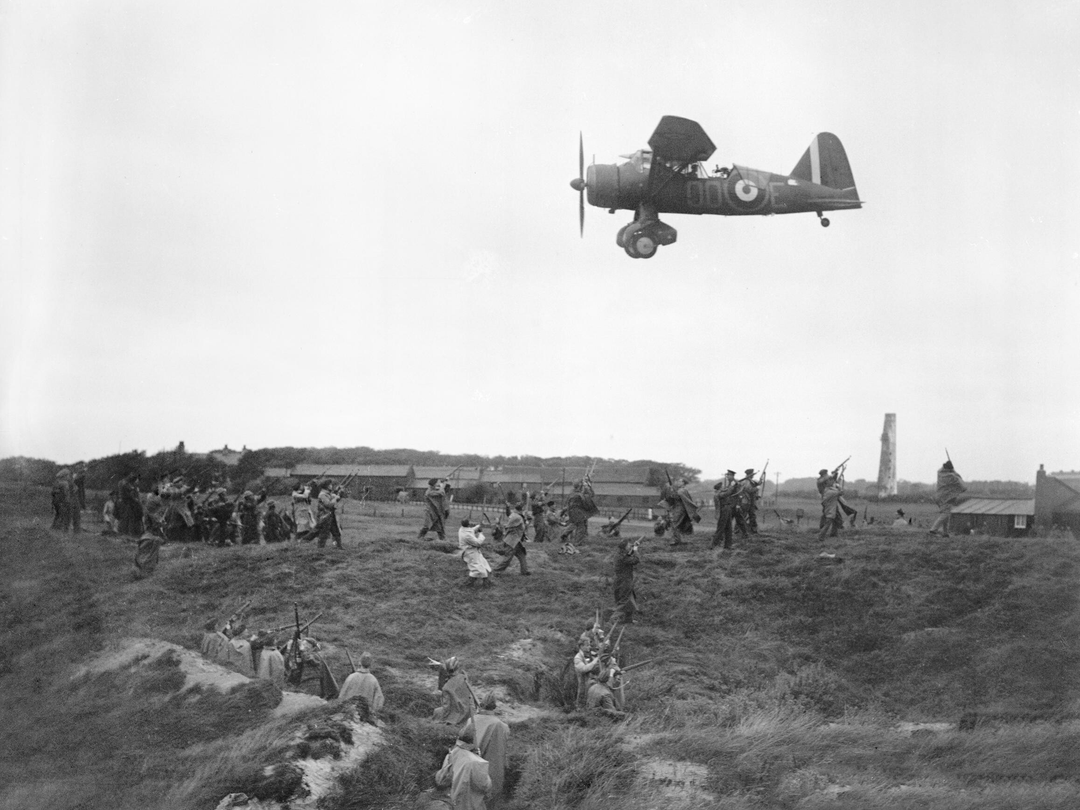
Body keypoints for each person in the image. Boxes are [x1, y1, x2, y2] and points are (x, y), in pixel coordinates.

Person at [461, 697, 509, 809]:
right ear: (494, 708)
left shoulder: (470, 720)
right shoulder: (500, 725)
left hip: (469, 764)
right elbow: (501, 752)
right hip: (490, 766)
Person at [434, 725, 492, 810]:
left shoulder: (451, 754)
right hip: (469, 805)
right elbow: (485, 786)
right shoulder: (476, 762)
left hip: (450, 803)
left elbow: (440, 780)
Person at [433, 657, 478, 725]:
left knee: (437, 711)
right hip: (468, 712)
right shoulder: (464, 678)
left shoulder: (446, 687)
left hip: (457, 715)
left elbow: (446, 708)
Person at [338, 651, 385, 716]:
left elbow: (341, 696)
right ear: (371, 664)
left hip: (349, 713)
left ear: (360, 662)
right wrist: (373, 712)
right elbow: (379, 700)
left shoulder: (351, 677)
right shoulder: (373, 680)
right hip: (365, 714)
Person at [929, 460, 967, 537]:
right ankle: (933, 529)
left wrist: (951, 469)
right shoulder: (952, 476)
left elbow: (942, 469)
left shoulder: (939, 473)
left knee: (946, 513)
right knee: (946, 514)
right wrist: (955, 472)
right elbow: (963, 487)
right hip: (947, 498)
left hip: (938, 497)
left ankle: (945, 532)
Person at [609, 536, 640, 625]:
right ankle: (613, 618)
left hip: (623, 580)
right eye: (628, 545)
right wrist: (636, 550)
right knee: (624, 601)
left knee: (630, 599)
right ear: (624, 547)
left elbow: (628, 555)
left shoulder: (620, 554)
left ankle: (628, 619)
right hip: (623, 581)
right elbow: (636, 560)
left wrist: (632, 549)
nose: (630, 545)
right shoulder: (622, 557)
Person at [493, 505, 530, 576]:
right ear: (521, 509)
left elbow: (509, 515)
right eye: (523, 509)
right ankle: (496, 571)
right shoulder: (517, 517)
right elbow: (508, 526)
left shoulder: (515, 515)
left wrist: (507, 507)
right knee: (508, 558)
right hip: (512, 541)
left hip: (516, 540)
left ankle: (524, 571)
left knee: (522, 555)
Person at [663, 476, 700, 546]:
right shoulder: (681, 490)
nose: (678, 482)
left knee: (675, 524)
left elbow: (676, 496)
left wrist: (671, 489)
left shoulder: (682, 490)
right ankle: (678, 539)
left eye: (680, 481)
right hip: (678, 509)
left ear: (683, 483)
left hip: (680, 509)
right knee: (676, 524)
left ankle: (676, 540)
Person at [458, 519, 493, 587]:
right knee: (476, 568)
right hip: (470, 553)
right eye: (469, 523)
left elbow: (471, 530)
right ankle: (469, 583)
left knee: (483, 565)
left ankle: (486, 583)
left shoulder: (462, 529)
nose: (470, 523)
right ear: (468, 524)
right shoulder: (466, 535)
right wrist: (481, 534)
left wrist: (479, 526)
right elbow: (477, 543)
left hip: (473, 551)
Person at [563, 479, 598, 547]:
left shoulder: (573, 492)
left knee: (576, 525)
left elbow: (590, 495)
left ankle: (564, 535)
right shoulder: (577, 494)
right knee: (581, 528)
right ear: (579, 486)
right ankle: (577, 543)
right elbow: (590, 495)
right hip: (577, 513)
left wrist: (587, 487)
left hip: (576, 512)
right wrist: (587, 487)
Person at [572, 634, 602, 710]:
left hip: (589, 685)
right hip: (583, 686)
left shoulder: (588, 655)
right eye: (587, 645)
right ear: (581, 646)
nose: (589, 647)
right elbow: (584, 669)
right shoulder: (577, 658)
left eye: (589, 645)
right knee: (581, 705)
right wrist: (595, 661)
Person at [711, 470, 738, 548]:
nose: (724, 487)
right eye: (722, 487)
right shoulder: (720, 494)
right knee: (721, 528)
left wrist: (732, 484)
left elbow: (727, 490)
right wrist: (733, 485)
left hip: (727, 509)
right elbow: (728, 492)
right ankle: (713, 544)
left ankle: (728, 545)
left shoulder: (719, 492)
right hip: (724, 510)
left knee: (729, 528)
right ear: (719, 489)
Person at [817, 474, 846, 541]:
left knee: (836, 522)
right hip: (831, 511)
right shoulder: (831, 491)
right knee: (827, 525)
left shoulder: (827, 490)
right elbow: (841, 492)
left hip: (831, 510)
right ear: (827, 482)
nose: (833, 482)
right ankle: (820, 537)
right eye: (831, 481)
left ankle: (834, 534)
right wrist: (839, 486)